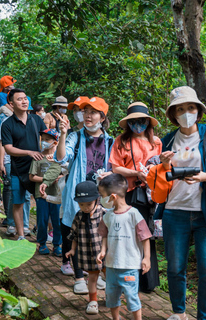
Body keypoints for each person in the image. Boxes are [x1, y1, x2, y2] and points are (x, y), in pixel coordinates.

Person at [160, 86, 206, 320]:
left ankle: (204, 317)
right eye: (180, 109)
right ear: (173, 114)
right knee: (174, 268)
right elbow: (158, 178)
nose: (185, 112)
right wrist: (161, 164)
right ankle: (179, 313)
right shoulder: (167, 140)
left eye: (190, 107)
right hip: (174, 211)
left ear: (198, 111)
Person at [55, 96, 113, 294]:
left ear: (102, 116)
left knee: (98, 235)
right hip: (77, 192)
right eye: (85, 112)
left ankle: (95, 274)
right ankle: (79, 277)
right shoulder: (75, 137)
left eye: (93, 112)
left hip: (100, 195)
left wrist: (110, 173)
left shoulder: (110, 141)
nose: (88, 116)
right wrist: (63, 134)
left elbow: (114, 166)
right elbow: (61, 157)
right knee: (78, 232)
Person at [109, 101, 161, 293]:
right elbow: (115, 168)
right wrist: (136, 173)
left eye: (141, 121)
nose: (138, 125)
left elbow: (160, 166)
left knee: (148, 234)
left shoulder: (156, 142)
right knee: (129, 236)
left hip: (150, 196)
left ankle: (148, 281)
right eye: (134, 121)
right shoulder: (121, 141)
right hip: (129, 194)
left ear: (148, 122)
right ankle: (129, 279)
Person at [97, 173, 152, 320]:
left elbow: (145, 237)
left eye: (103, 196)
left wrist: (146, 258)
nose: (101, 199)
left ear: (113, 197)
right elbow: (104, 235)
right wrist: (102, 251)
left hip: (130, 266)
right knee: (111, 296)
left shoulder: (134, 214)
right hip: (111, 266)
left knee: (132, 296)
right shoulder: (108, 216)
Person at [1, 89, 47, 240]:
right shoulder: (7, 124)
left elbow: (47, 139)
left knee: (43, 202)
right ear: (11, 103)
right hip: (17, 170)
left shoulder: (36, 120)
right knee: (18, 202)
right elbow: (8, 148)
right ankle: (21, 235)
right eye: (19, 99)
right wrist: (28, 152)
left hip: (37, 170)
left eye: (25, 98)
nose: (24, 101)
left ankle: (43, 235)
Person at [65, 181, 107, 315]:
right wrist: (72, 249)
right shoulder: (78, 216)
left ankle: (111, 297)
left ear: (96, 199)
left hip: (105, 253)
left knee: (110, 277)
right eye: (81, 204)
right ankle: (93, 301)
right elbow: (74, 234)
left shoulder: (103, 214)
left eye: (88, 204)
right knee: (92, 278)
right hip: (87, 254)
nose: (85, 208)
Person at [0, 101, 32, 236]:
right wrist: (1, 163)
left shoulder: (32, 121)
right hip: (11, 162)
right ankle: (11, 223)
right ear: (12, 104)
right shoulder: (6, 121)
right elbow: (2, 144)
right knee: (13, 193)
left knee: (27, 195)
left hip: (29, 163)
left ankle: (25, 225)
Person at [29, 128, 63, 255]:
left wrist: (58, 177)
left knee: (57, 221)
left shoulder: (60, 158)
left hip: (57, 194)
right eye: (42, 139)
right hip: (40, 194)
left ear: (55, 142)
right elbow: (31, 176)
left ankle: (57, 245)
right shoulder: (38, 157)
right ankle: (42, 244)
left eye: (47, 139)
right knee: (42, 220)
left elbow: (64, 173)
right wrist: (47, 179)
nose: (44, 142)